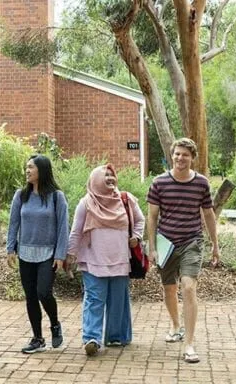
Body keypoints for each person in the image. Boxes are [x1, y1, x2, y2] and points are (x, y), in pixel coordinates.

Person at [146, 137, 220, 364]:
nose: (180, 158)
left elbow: (208, 214)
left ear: (192, 158)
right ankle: (176, 326)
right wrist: (151, 247)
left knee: (188, 287)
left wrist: (215, 245)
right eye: (177, 154)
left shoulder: (201, 183)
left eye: (185, 155)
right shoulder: (159, 183)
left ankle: (189, 344)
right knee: (169, 289)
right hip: (166, 243)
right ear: (172, 155)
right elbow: (152, 216)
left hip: (192, 241)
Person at [68, 164, 144, 356]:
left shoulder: (126, 200)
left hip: (120, 260)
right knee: (94, 299)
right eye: (105, 175)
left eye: (112, 175)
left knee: (118, 300)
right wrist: (70, 255)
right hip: (93, 261)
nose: (110, 178)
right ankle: (91, 338)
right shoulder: (86, 203)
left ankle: (116, 336)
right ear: (95, 179)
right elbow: (76, 231)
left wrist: (137, 236)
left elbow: (140, 220)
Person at [6, 155, 69, 354]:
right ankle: (37, 338)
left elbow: (62, 227)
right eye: (26, 167)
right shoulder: (21, 195)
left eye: (30, 167)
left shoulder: (56, 197)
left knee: (44, 292)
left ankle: (55, 324)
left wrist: (60, 255)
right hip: (25, 252)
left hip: (48, 253)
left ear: (41, 170)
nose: (27, 171)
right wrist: (10, 248)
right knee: (31, 296)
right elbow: (13, 223)